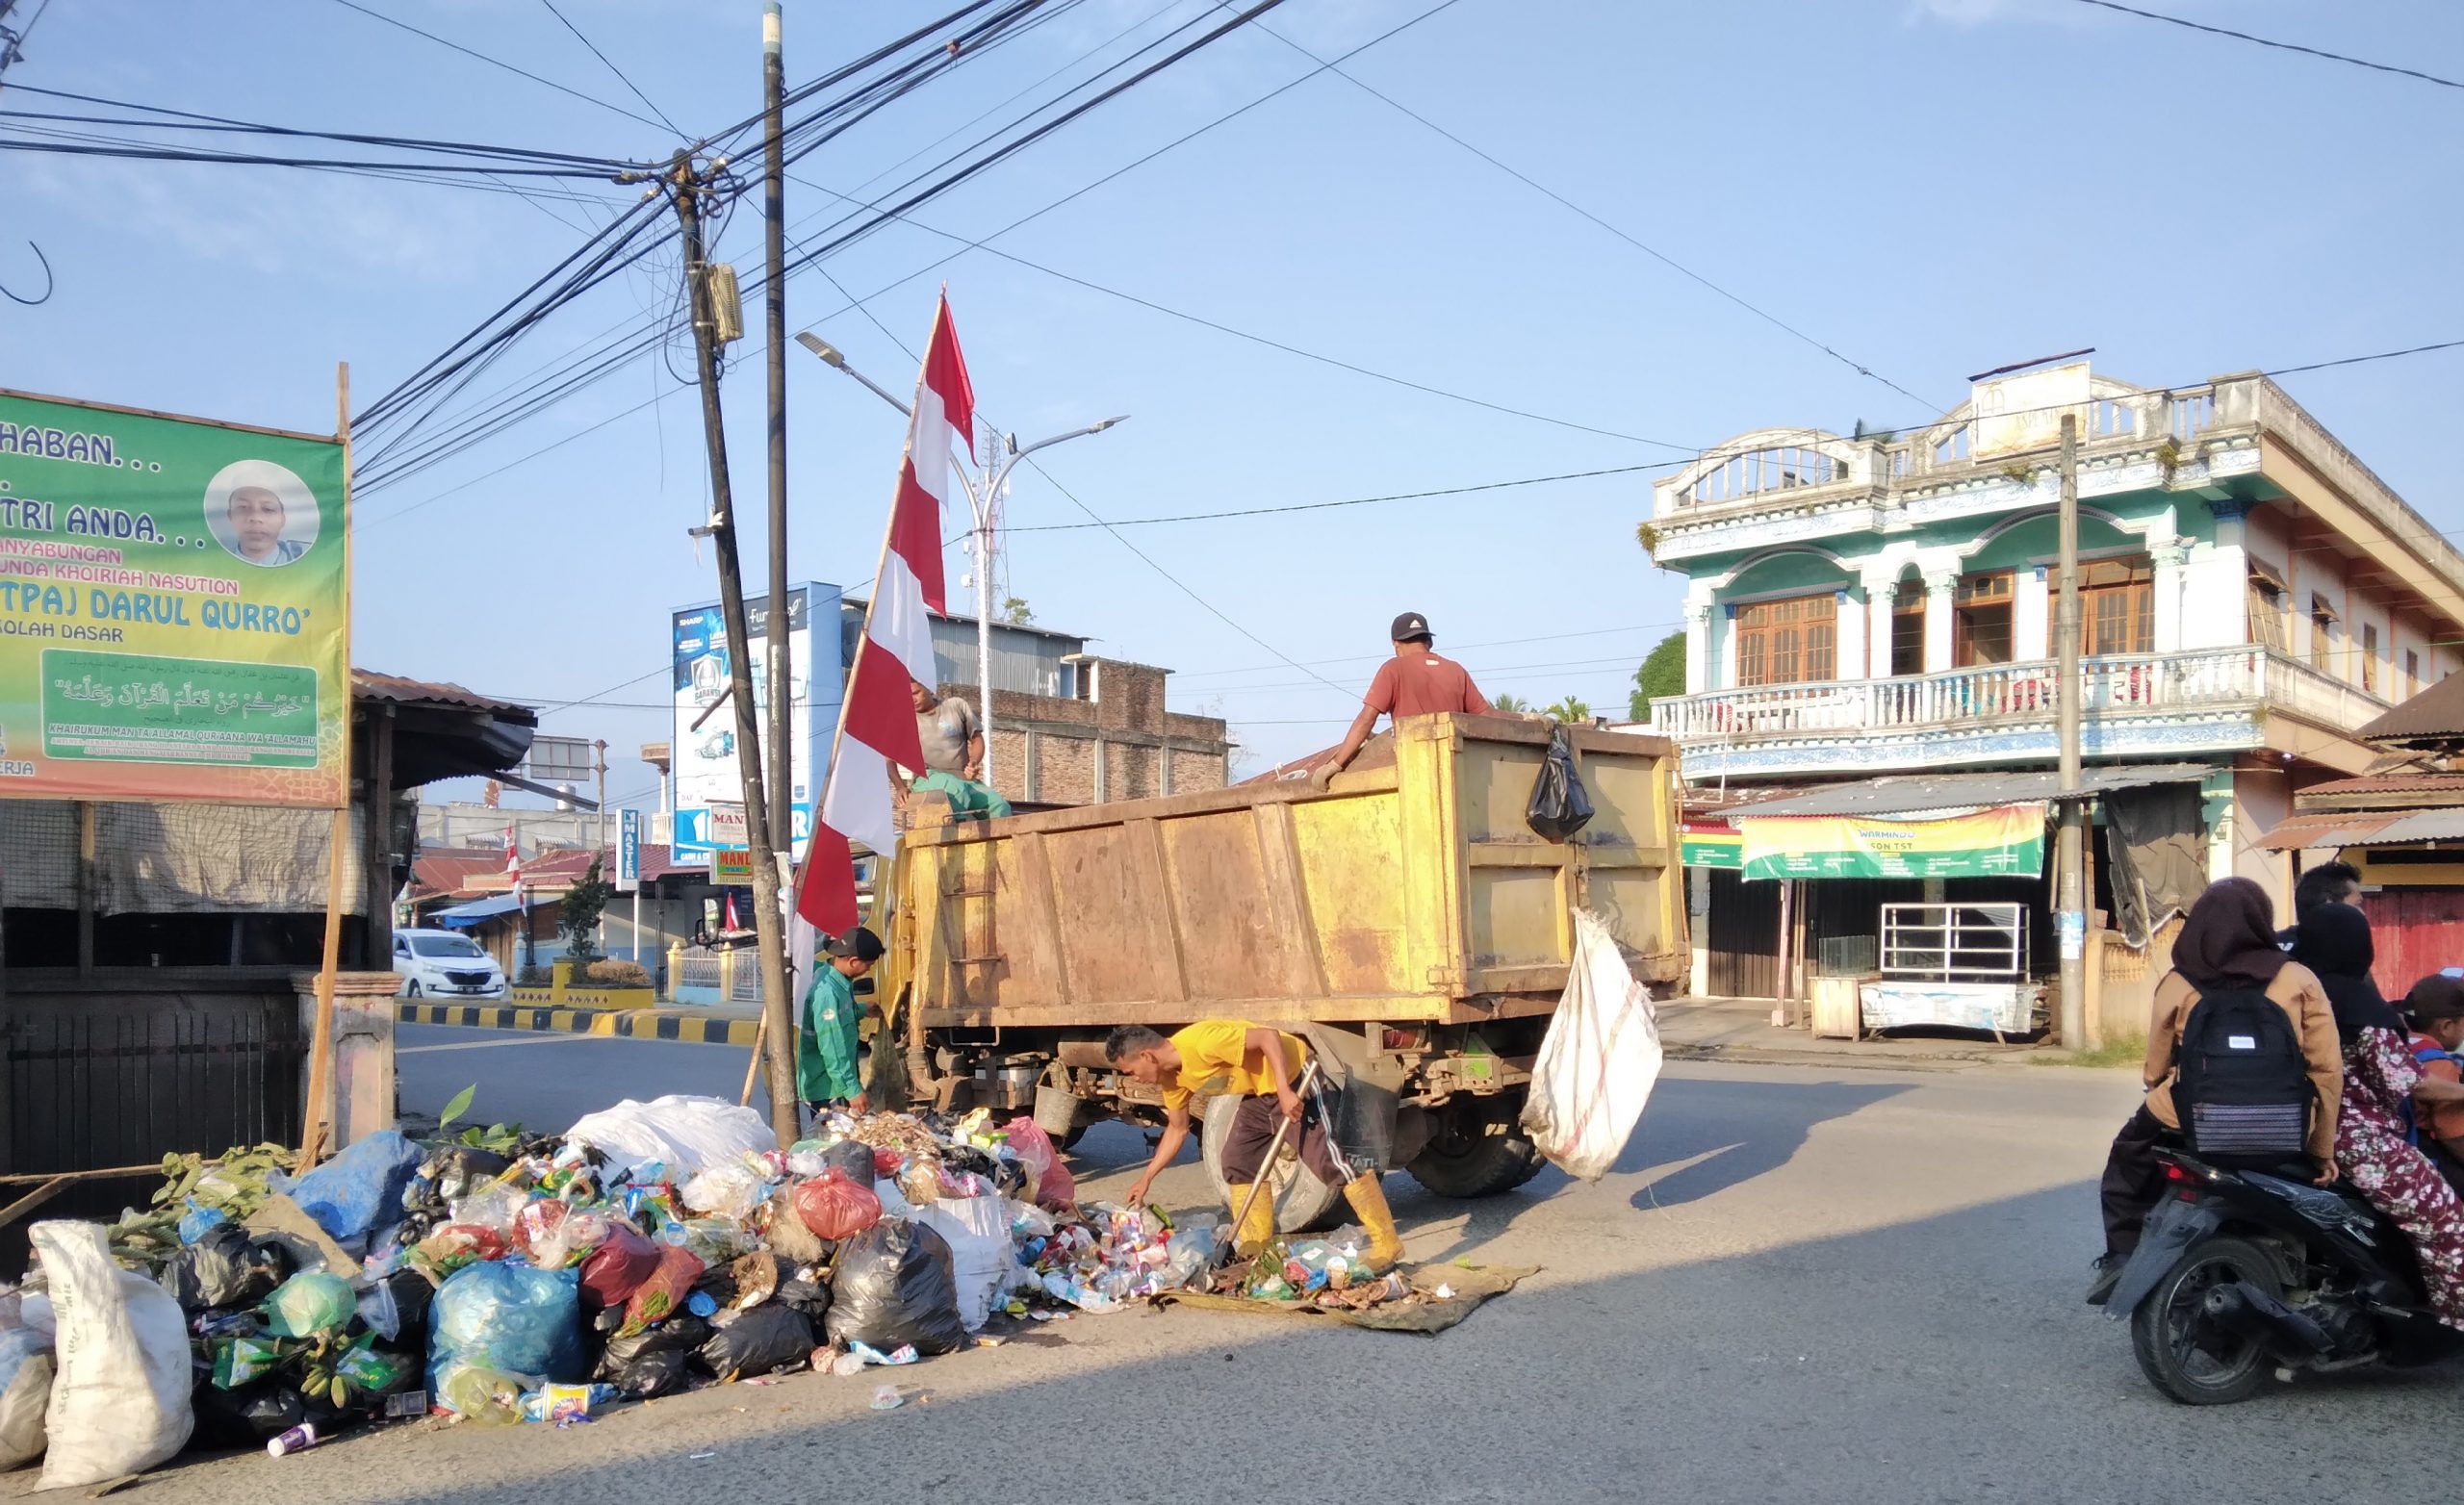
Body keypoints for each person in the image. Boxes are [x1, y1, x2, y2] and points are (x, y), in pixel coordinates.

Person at [2091, 877, 2341, 1302]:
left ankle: (2122, 1254)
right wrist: (2321, 1149)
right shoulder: (2298, 978)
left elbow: (2155, 1068)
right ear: (2263, 921)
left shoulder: (2179, 980)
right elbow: (2327, 1070)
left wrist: (2161, 1087)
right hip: (2283, 1123)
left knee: (2127, 1159)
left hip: (2190, 1115)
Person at [1106, 1020, 1402, 1272]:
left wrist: (1285, 1091)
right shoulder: (1173, 1080)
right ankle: (1256, 1246)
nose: (1134, 1078)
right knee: (1237, 1160)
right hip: (1259, 1094)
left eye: (1130, 1071)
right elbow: (1177, 1128)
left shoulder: (1201, 1043)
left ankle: (1387, 1243)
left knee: (1330, 1163)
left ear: (1146, 1056)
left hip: (1295, 1076)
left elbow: (1267, 1036)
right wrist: (1146, 1178)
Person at [2292, 908, 2464, 1329]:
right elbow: (2411, 1084)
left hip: (2295, 1124)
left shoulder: (2291, 989)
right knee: (2444, 1217)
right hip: (2357, 1137)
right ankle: (2452, 1321)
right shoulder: (2359, 1005)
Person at [1313, 612, 1495, 789]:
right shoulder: (1456, 670)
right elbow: (1486, 716)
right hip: (1456, 767)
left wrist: (1335, 765)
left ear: (1395, 643)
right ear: (1429, 642)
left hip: (1414, 769)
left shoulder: (1393, 669)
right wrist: (1520, 718)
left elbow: (1366, 719)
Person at [799, 927, 883, 1118]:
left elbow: (840, 1018)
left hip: (836, 1084)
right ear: (853, 961)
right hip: (828, 1088)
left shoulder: (836, 979)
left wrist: (861, 1010)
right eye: (868, 965)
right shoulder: (827, 992)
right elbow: (833, 1049)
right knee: (834, 1143)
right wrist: (852, 1089)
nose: (868, 970)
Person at [2405, 974, 2464, 1195]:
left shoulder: (2400, 1042)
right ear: (2447, 1026)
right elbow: (2451, 1133)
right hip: (2427, 1156)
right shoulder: (2438, 1063)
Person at [911, 680, 984, 783]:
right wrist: (900, 786)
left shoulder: (956, 705)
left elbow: (977, 739)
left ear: (930, 689)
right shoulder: (906, 720)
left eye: (916, 693)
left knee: (996, 800)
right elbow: (889, 756)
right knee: (957, 792)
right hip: (929, 777)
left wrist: (973, 763)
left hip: (963, 776)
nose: (912, 699)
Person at [2276, 859, 2361, 949]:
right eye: (2357, 904)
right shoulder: (2341, 953)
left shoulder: (2269, 949)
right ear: (2329, 906)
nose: (2363, 913)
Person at [223, 484, 304, 566]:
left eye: (268, 509)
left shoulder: (308, 559)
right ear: (230, 516)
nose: (255, 517)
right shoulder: (214, 559)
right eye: (243, 508)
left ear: (282, 520)